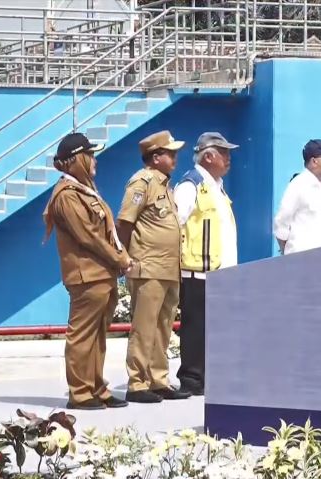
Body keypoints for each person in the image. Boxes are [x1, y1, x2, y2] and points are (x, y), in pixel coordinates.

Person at [42, 132, 132, 410]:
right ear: (75, 161)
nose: (94, 160)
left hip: (100, 275)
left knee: (98, 335)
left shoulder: (84, 190)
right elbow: (90, 236)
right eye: (89, 155)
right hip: (87, 276)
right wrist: (120, 258)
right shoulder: (66, 196)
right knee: (82, 336)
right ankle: (80, 392)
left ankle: (96, 387)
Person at [116, 130, 192, 403]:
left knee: (163, 327)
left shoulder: (165, 185)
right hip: (147, 266)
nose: (175, 158)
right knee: (144, 327)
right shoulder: (142, 182)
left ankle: (158, 379)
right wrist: (123, 258)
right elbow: (124, 223)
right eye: (170, 154)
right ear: (155, 157)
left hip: (168, 268)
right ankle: (137, 383)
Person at [172, 131, 240, 396]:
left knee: (215, 327)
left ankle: (210, 376)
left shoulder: (216, 186)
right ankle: (192, 378)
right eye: (224, 153)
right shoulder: (191, 185)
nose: (228, 158)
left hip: (218, 271)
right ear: (209, 156)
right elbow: (175, 225)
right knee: (195, 327)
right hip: (197, 271)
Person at [273, 139, 321, 254]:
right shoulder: (299, 184)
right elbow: (281, 221)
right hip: (302, 258)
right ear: (314, 161)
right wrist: (287, 250)